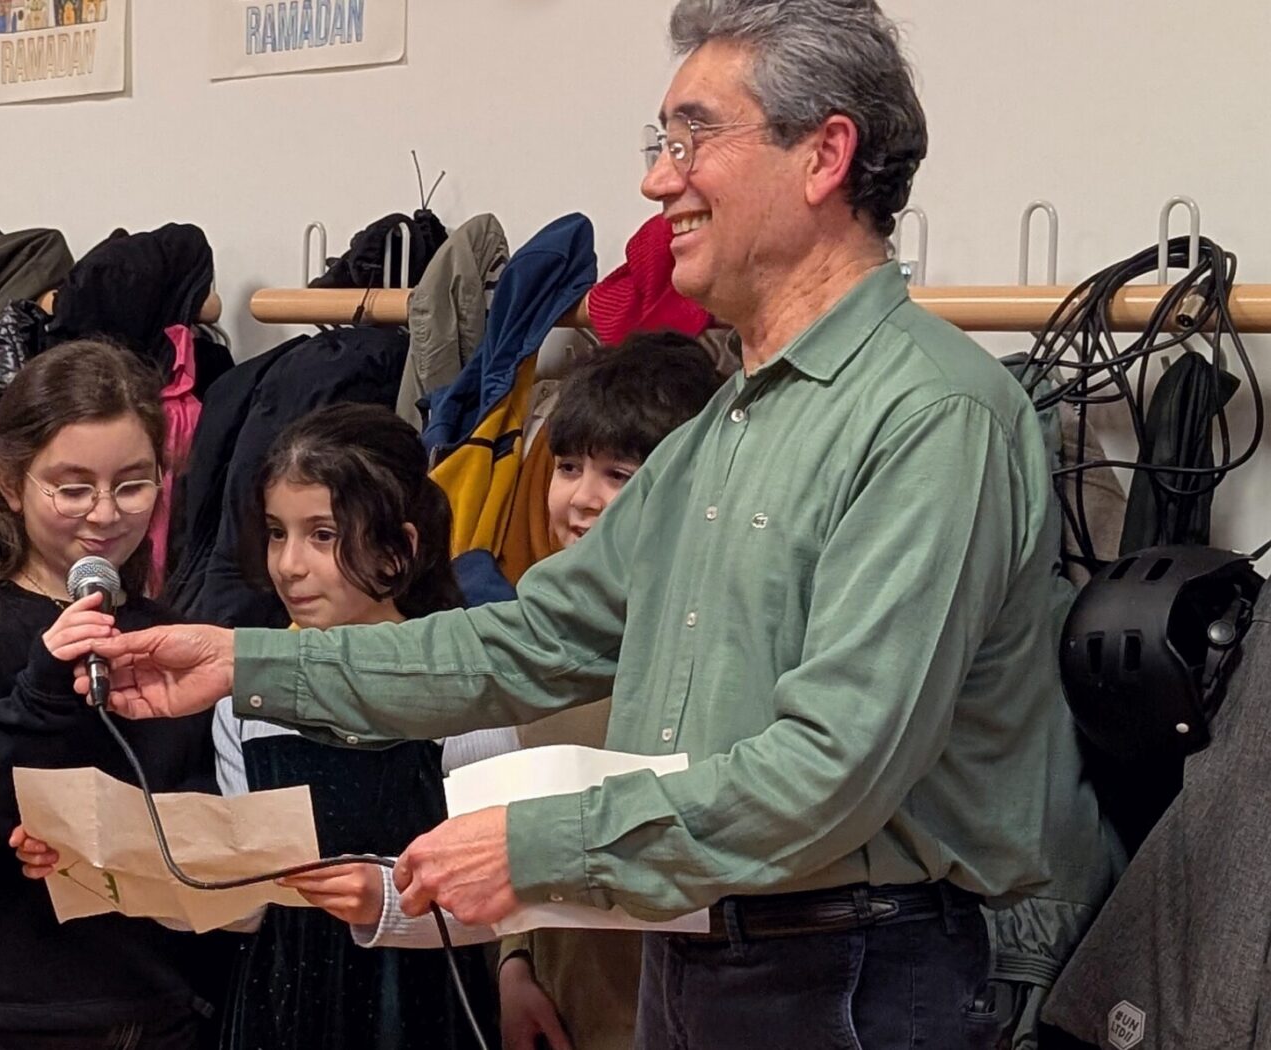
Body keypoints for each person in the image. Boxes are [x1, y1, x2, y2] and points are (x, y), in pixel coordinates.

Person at [64, 2, 1116, 1048]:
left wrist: (535, 848)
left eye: (692, 139)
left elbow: (831, 770)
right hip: (698, 956)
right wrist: (241, 663)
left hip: (852, 976)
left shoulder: (932, 415)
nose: (658, 181)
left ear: (824, 155)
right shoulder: (726, 428)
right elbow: (530, 639)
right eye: (661, 144)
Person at [16, 403, 500, 1049]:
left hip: (416, 1007)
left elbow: (504, 894)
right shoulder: (243, 699)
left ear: (398, 549)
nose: (289, 564)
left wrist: (387, 899)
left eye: (322, 535)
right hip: (278, 1005)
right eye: (276, 533)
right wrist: (100, 862)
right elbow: (242, 901)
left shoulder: (464, 688)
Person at [0, 339, 234, 1050]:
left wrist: (137, 837)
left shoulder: (169, 639)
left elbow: (205, 813)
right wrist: (38, 697)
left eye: (132, 485)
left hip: (154, 1014)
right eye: (73, 489)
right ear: (9, 484)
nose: (104, 514)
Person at [499, 335, 723, 1050]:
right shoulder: (540, 635)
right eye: (568, 467)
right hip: (565, 1003)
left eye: (618, 475)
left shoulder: (715, 649)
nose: (580, 499)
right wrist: (514, 964)